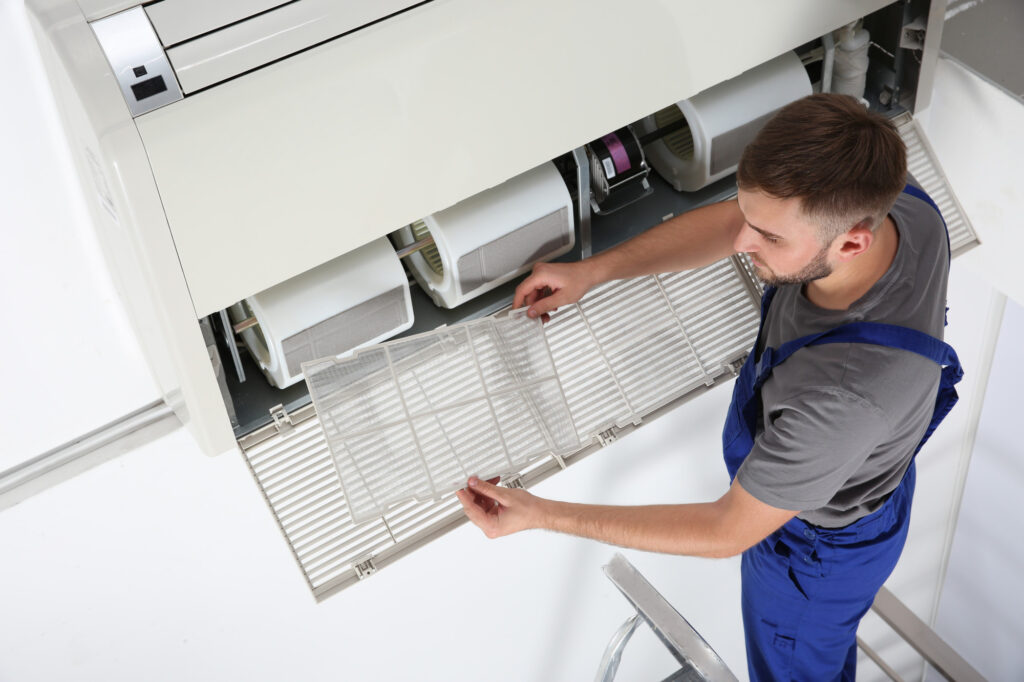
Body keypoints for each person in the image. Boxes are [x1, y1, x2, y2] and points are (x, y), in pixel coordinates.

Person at [455, 93, 963, 681]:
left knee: (799, 666)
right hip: (857, 477)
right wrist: (594, 270)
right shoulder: (899, 205)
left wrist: (541, 513)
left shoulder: (844, 397)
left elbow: (728, 529)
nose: (744, 244)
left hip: (811, 559)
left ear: (852, 243)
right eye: (752, 218)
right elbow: (732, 225)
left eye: (770, 239)